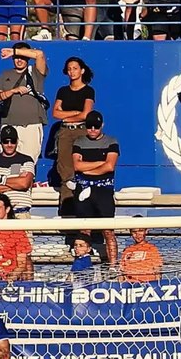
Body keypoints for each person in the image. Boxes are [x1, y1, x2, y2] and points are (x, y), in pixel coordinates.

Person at [71, 110, 120, 264]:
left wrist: (87, 170)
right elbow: (77, 166)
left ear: (102, 125)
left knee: (108, 230)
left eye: (96, 126)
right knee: (84, 231)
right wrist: (100, 164)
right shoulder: (79, 141)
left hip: (103, 191)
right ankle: (82, 265)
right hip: (83, 190)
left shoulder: (111, 141)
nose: (92, 130)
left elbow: (110, 166)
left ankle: (113, 266)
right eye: (89, 126)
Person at [0, 44, 48, 161]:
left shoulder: (35, 72)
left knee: (28, 162)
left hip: (31, 125)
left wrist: (15, 51)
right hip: (9, 124)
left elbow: (39, 54)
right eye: (16, 57)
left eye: (22, 57)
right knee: (8, 162)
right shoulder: (5, 74)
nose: (19, 60)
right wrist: (12, 91)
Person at [52, 57, 94, 213]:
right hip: (65, 132)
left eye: (75, 68)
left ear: (82, 70)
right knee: (65, 171)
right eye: (69, 69)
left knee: (82, 168)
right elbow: (55, 113)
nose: (72, 72)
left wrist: (67, 116)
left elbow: (86, 114)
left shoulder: (88, 90)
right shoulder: (62, 91)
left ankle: (86, 208)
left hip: (81, 131)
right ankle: (66, 210)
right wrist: (74, 113)